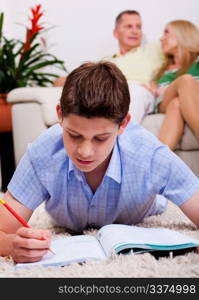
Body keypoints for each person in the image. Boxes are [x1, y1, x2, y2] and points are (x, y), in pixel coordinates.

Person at [1, 61, 199, 263]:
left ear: (123, 124)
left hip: (147, 211)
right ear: (60, 115)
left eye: (100, 138)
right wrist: (11, 245)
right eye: (74, 135)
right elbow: (2, 229)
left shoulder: (150, 153)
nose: (85, 152)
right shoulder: (42, 153)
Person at [53, 10, 164, 123]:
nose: (135, 31)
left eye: (138, 27)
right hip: (110, 92)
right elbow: (61, 81)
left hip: (139, 91)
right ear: (116, 33)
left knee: (134, 91)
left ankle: (120, 137)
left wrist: (159, 85)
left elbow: (181, 53)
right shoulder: (107, 61)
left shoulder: (153, 50)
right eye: (129, 26)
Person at [145, 20, 199, 150]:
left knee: (177, 103)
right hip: (164, 102)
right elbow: (154, 91)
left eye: (166, 32)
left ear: (182, 34)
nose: (161, 38)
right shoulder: (161, 70)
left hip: (189, 100)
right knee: (185, 80)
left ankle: (159, 163)